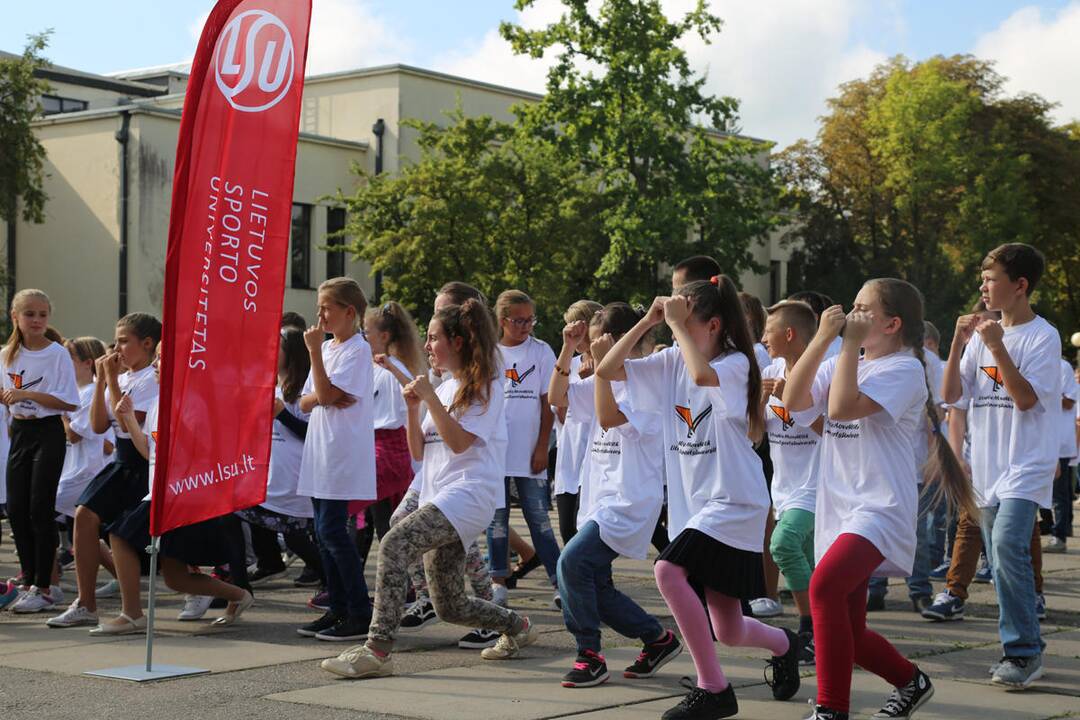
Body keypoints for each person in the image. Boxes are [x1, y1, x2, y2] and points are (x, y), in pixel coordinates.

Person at [596, 276, 801, 720]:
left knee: (668, 571)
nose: (675, 330)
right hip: (696, 506)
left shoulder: (736, 365)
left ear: (713, 325)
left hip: (735, 501)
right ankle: (787, 644)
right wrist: (647, 322)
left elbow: (701, 376)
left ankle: (714, 689)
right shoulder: (671, 359)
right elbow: (606, 370)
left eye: (686, 323)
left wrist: (677, 327)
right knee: (726, 629)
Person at [784, 278, 974, 719]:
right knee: (849, 628)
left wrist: (845, 345)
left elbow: (842, 409)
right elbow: (794, 402)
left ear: (892, 323)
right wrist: (823, 339)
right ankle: (911, 682)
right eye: (851, 307)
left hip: (879, 507)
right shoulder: (845, 361)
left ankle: (832, 710)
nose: (852, 315)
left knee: (824, 588)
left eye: (862, 309)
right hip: (839, 506)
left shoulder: (905, 370)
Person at [320, 299, 538, 679]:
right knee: (449, 605)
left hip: (470, 495)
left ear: (456, 341)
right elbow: (419, 451)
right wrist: (411, 408)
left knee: (393, 543)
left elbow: (458, 444)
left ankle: (377, 650)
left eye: (434, 338)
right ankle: (517, 627)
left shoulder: (486, 386)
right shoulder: (448, 384)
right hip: (442, 495)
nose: (427, 346)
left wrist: (431, 399)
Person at [942, 243, 1063, 689]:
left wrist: (997, 345)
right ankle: (1023, 645)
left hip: (1026, 464)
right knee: (999, 558)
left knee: (1010, 547)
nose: (982, 286)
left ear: (1020, 286)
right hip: (986, 466)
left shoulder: (1043, 336)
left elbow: (1026, 399)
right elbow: (954, 394)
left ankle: (1023, 652)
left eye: (990, 278)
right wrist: (959, 344)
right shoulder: (979, 339)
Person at [549, 304, 682, 688]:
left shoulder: (650, 384)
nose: (588, 354)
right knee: (595, 585)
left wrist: (604, 366)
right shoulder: (601, 377)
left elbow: (608, 417)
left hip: (630, 500)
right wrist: (566, 348)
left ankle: (588, 653)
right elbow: (556, 398)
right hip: (598, 497)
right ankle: (657, 639)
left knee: (571, 565)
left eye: (595, 345)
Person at [93, 351, 253, 634]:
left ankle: (132, 614)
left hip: (180, 494)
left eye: (161, 357)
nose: (155, 364)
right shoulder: (157, 402)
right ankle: (240, 596)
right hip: (160, 490)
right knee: (176, 578)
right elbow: (148, 452)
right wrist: (129, 419)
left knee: (119, 534)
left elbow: (198, 451)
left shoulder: (193, 402)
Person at [47, 314, 160, 627]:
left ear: (147, 344)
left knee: (169, 562)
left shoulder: (153, 378)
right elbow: (98, 425)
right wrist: (101, 383)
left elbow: (128, 423)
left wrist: (109, 379)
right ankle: (87, 603)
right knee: (84, 516)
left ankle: (224, 592)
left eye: (124, 341)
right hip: (121, 461)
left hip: (142, 461)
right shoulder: (121, 378)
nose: (118, 347)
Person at [295, 278, 377, 643]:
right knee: (322, 531)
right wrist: (323, 395)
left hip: (341, 452)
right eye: (319, 307)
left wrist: (316, 366)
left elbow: (325, 393)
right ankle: (338, 607)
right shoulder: (328, 349)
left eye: (327, 308)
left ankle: (359, 610)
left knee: (332, 531)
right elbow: (304, 400)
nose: (320, 315)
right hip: (320, 450)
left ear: (349, 311)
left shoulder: (357, 350)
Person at [2, 289, 79, 613]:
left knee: (40, 507)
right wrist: (12, 401)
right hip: (19, 431)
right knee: (16, 509)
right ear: (15, 316)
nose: (36, 320)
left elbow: (69, 401)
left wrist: (24, 396)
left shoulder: (56, 353)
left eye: (42, 314)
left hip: (47, 431)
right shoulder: (7, 354)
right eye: (30, 314)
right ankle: (30, 578)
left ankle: (44, 586)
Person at [235, 328, 324, 591]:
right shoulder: (271, 385)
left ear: (292, 352)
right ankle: (269, 561)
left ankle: (330, 578)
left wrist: (283, 414)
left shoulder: (304, 390)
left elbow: (313, 433)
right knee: (248, 512)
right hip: (269, 470)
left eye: (278, 346)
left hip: (294, 472)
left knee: (295, 535)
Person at [488, 290, 560, 607]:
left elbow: (548, 404)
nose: (526, 326)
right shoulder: (489, 353)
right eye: (519, 320)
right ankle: (498, 582)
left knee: (539, 520)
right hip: (494, 454)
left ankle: (561, 582)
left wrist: (542, 446)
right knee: (496, 523)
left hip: (530, 452)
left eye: (530, 319)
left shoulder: (541, 351)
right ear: (503, 321)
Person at [760, 300, 822, 664]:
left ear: (789, 334)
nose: (763, 338)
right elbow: (755, 432)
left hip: (816, 485)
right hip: (783, 488)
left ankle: (810, 629)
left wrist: (790, 400)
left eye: (768, 332)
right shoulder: (768, 370)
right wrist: (760, 402)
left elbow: (831, 431)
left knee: (781, 546)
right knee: (812, 566)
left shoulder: (822, 372)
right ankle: (834, 633)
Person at [552, 299, 603, 546]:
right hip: (570, 457)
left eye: (578, 327)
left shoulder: (611, 363)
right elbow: (560, 411)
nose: (574, 333)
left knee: (588, 537)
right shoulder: (569, 363)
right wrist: (568, 347)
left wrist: (594, 381)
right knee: (567, 532)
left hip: (596, 458)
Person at [1045, 357, 1078, 552]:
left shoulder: (1062, 366)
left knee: (1059, 493)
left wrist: (1042, 396)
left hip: (1059, 442)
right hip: (1044, 439)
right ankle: (1055, 529)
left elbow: (1069, 402)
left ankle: (1060, 537)